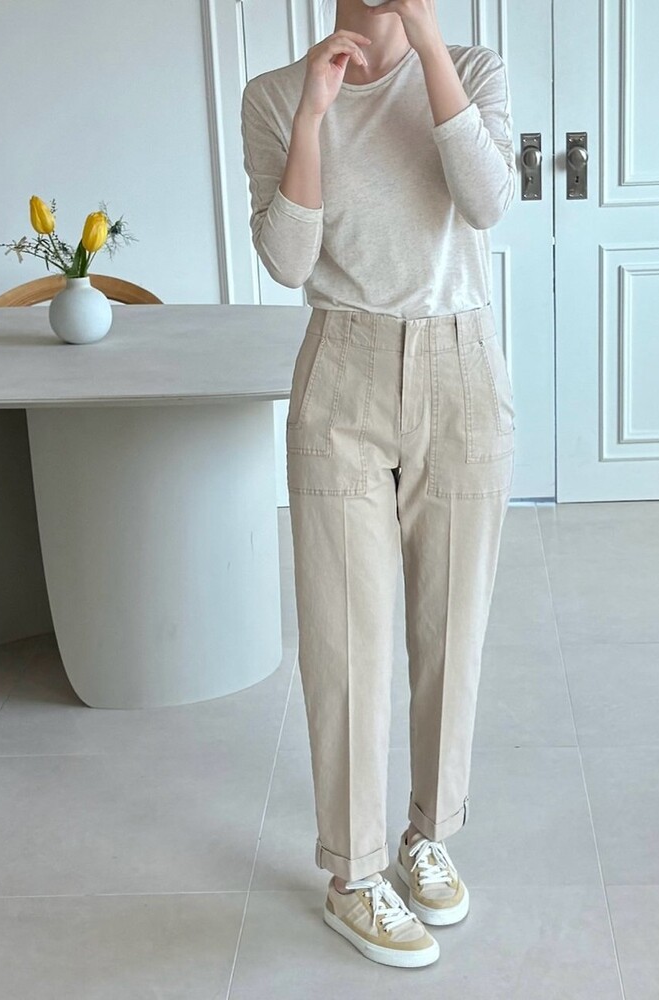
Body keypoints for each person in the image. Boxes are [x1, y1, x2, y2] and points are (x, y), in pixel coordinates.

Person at [241, 0, 517, 968]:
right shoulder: (274, 95)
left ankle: (426, 835)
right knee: (345, 637)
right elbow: (287, 260)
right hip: (342, 370)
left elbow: (487, 202)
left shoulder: (473, 69)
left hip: (460, 364)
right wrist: (313, 116)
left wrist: (429, 44)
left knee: (452, 623)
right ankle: (353, 874)